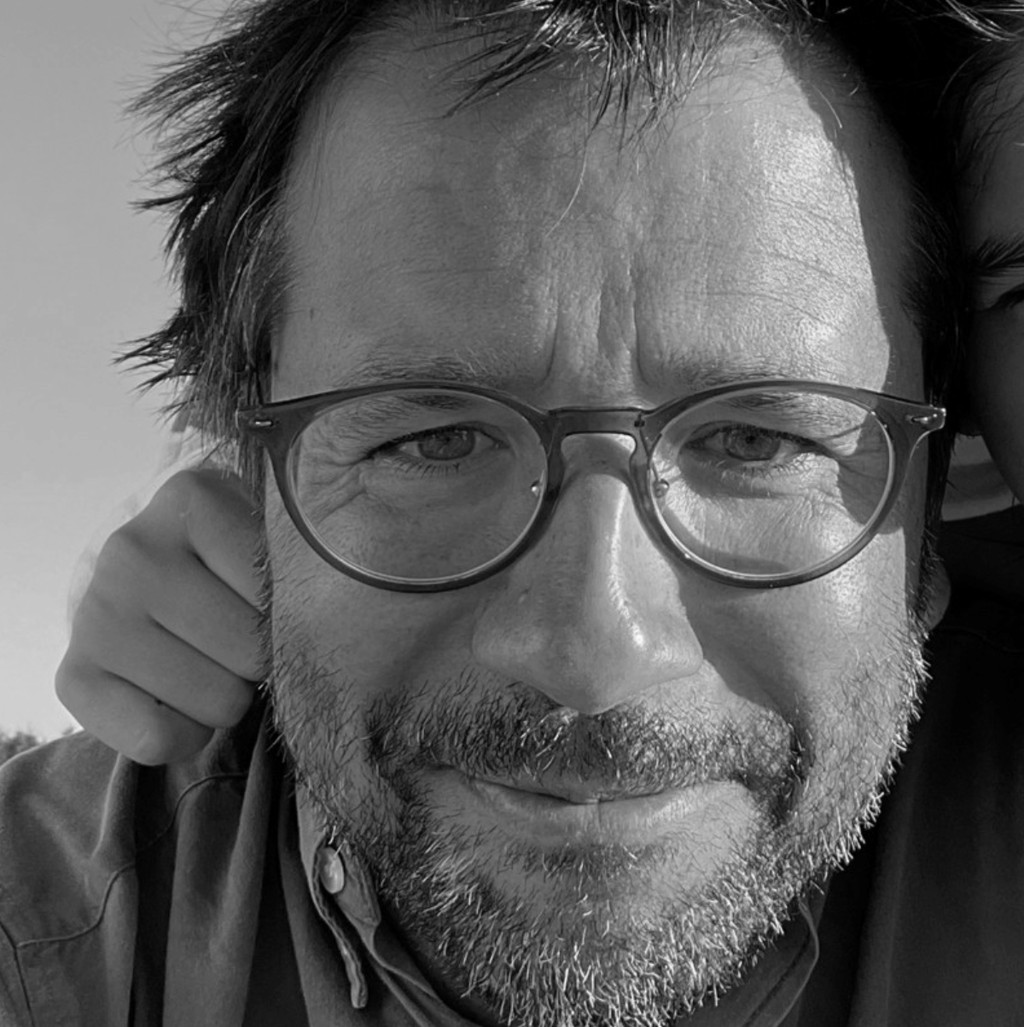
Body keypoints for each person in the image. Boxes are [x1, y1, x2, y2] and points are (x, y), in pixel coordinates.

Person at [2, 2, 1015, 1025]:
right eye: (433, 439)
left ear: (930, 516)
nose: (592, 654)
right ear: (250, 478)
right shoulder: (47, 935)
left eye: (757, 441)